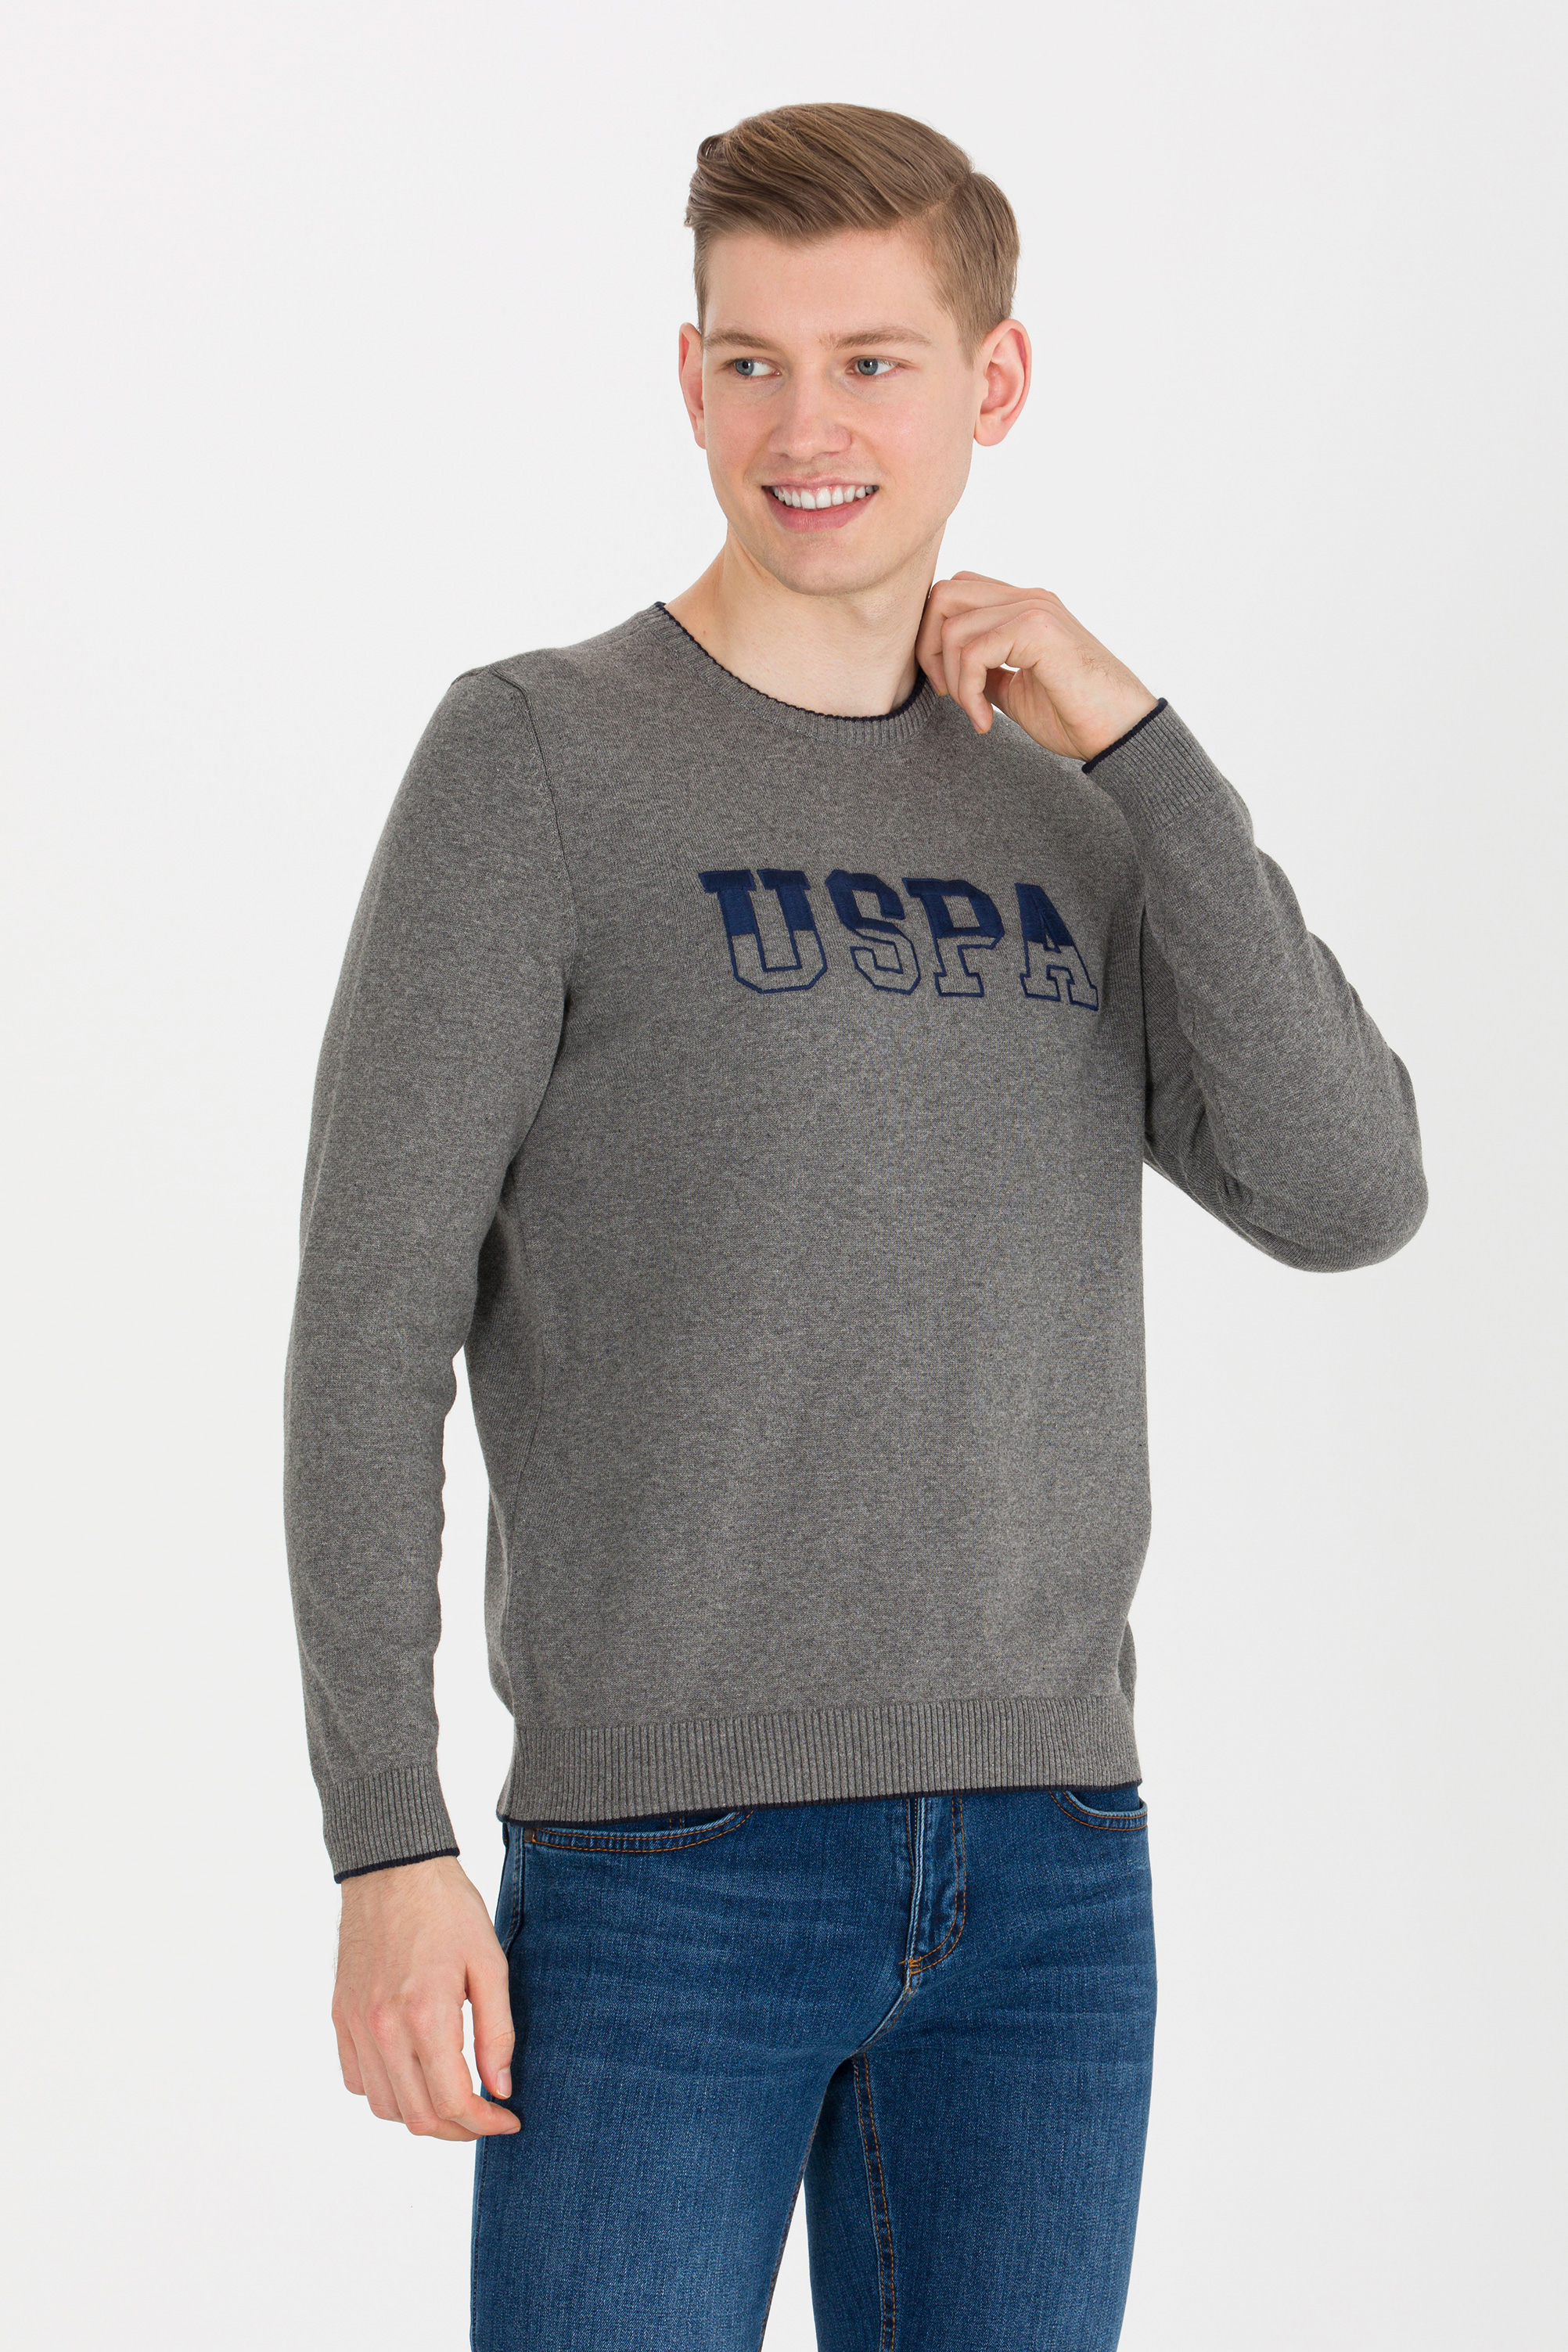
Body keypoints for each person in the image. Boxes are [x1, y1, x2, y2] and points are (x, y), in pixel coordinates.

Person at [284, 102, 1426, 2351]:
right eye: (752, 362)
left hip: (1051, 1868)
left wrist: (1145, 749)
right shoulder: (535, 759)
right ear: (688, 375)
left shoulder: (1070, 810)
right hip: (661, 1872)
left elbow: (1347, 1191)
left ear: (994, 382)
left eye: (873, 363)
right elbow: (367, 1325)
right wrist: (384, 1838)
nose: (805, 429)